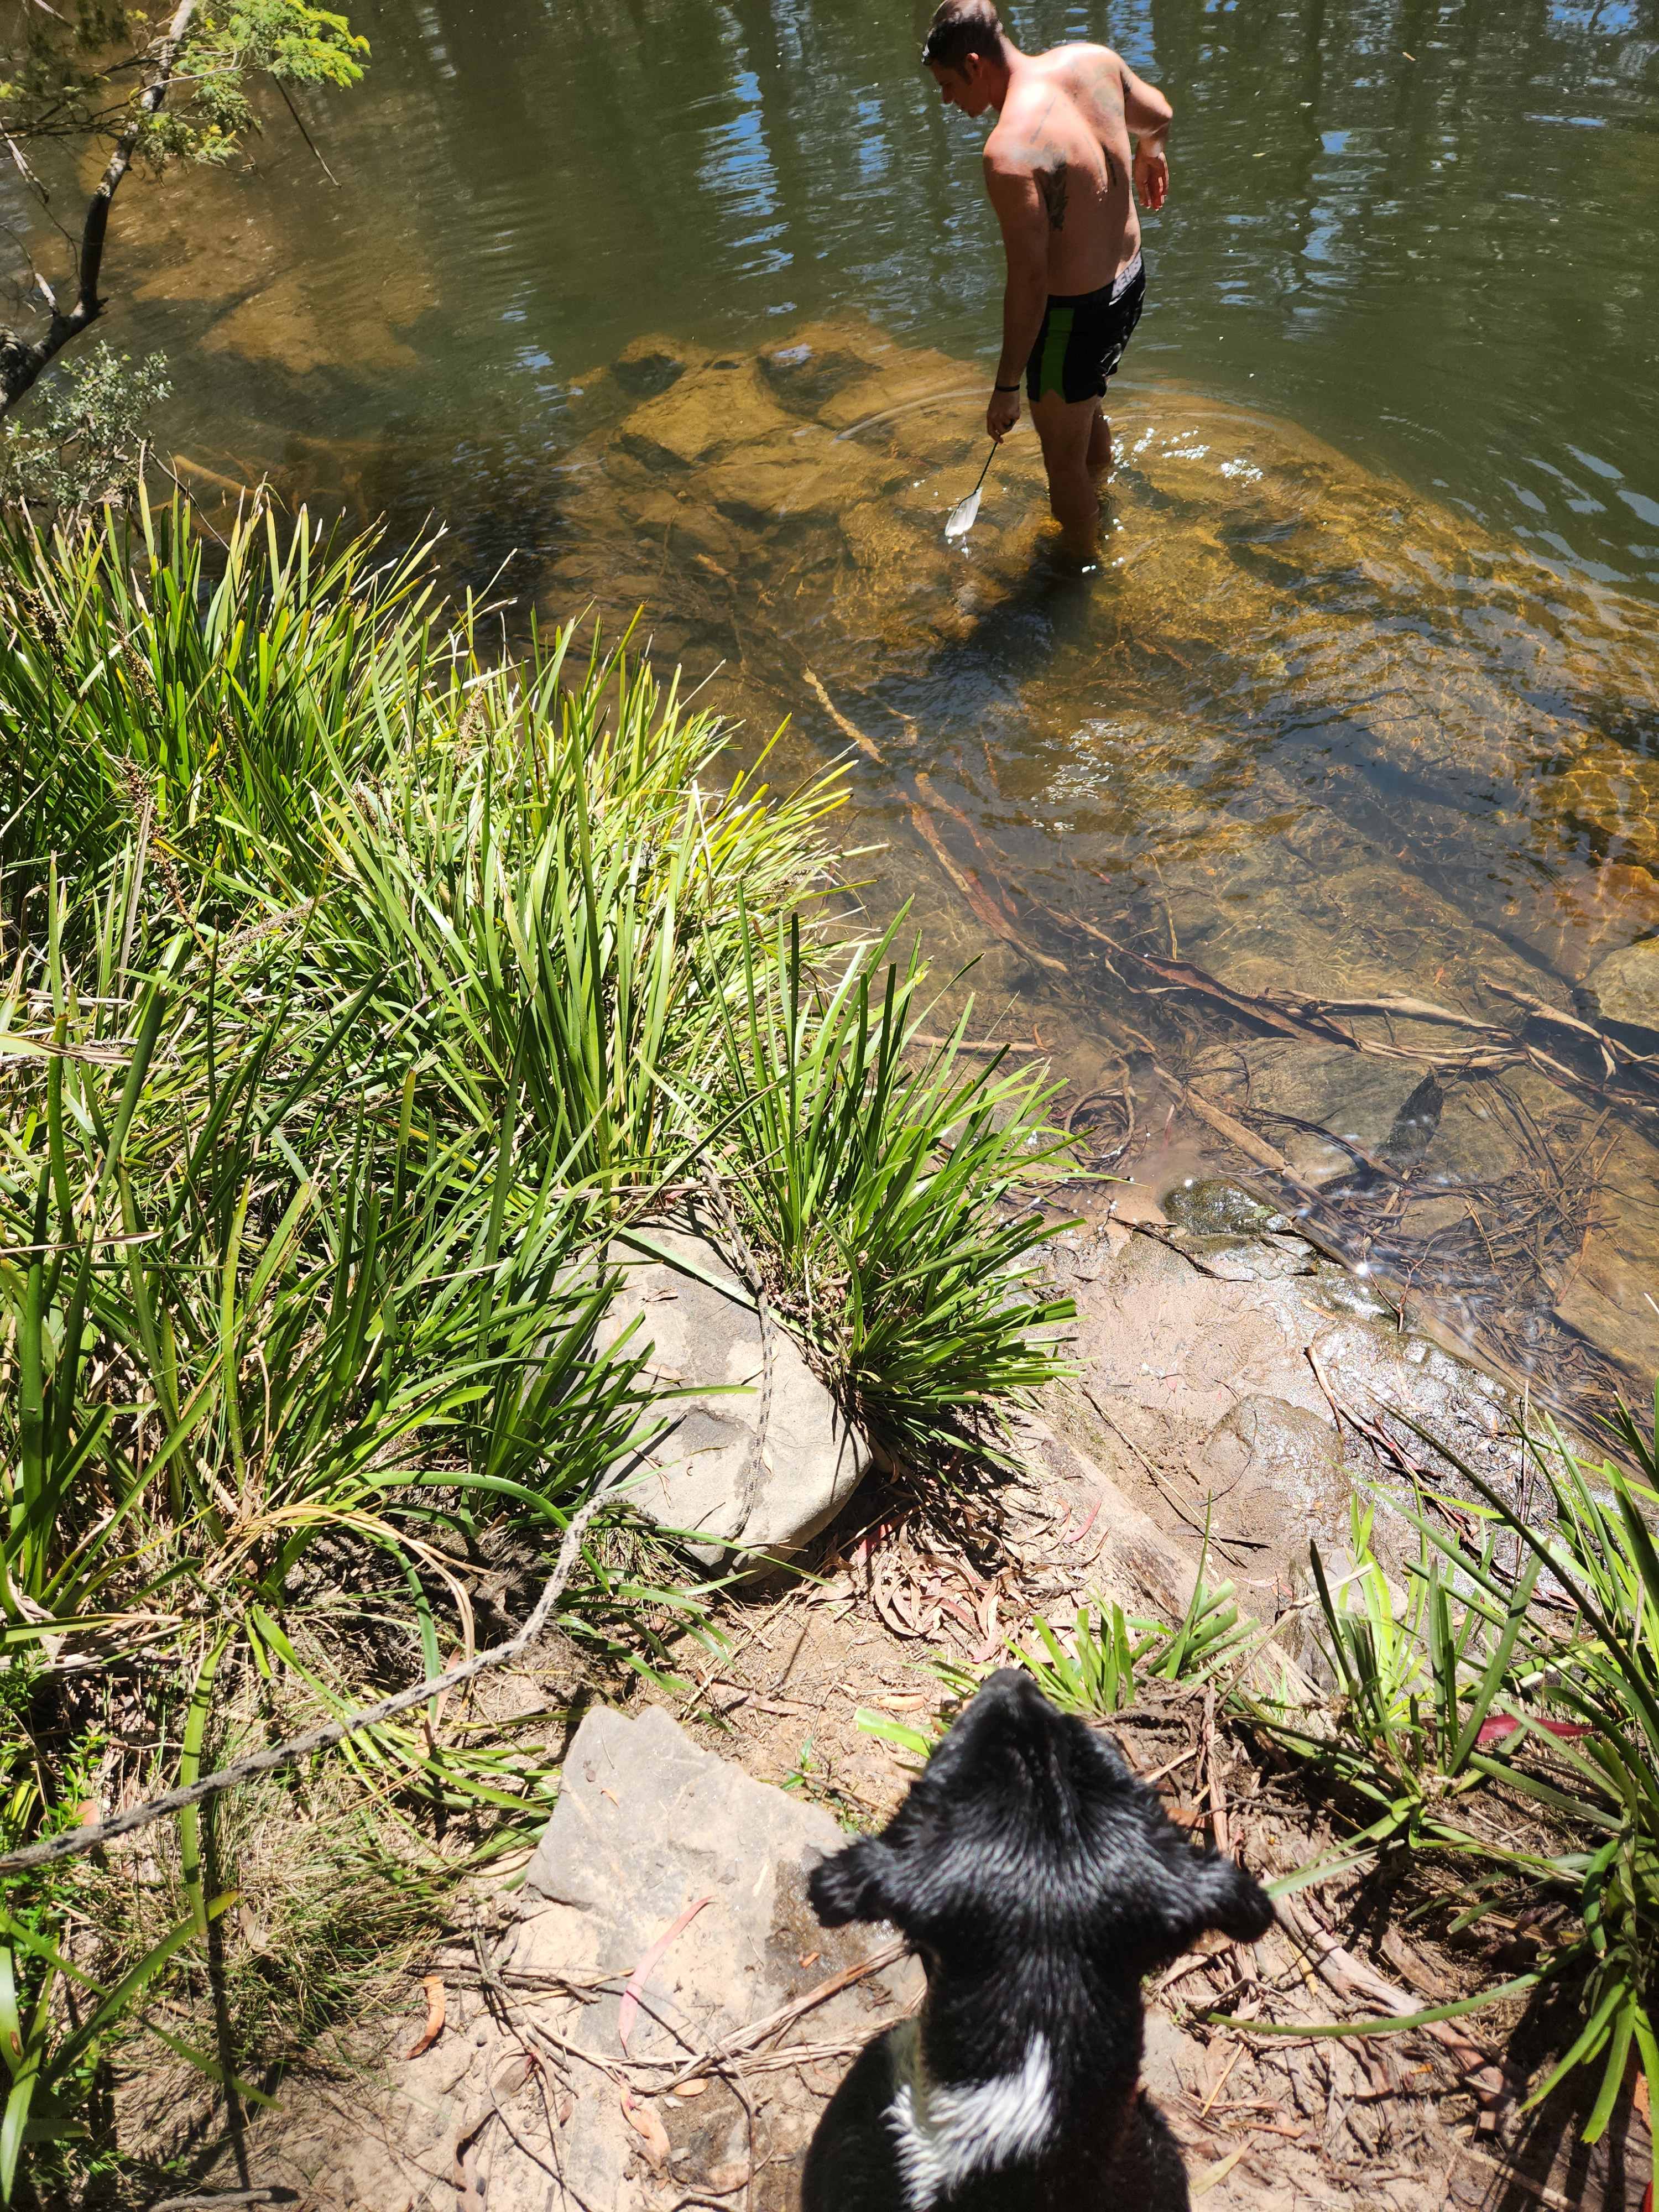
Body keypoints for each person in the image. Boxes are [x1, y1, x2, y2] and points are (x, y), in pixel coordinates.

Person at [922, 0, 1172, 561]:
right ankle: (1101, 497)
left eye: (947, 85)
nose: (947, 100)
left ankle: (1081, 575)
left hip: (1076, 313)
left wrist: (1007, 386)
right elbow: (1159, 115)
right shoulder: (1093, 61)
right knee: (1085, 406)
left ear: (973, 63)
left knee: (1060, 465)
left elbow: (1032, 281)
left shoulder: (1010, 151)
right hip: (1129, 282)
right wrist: (1151, 149)